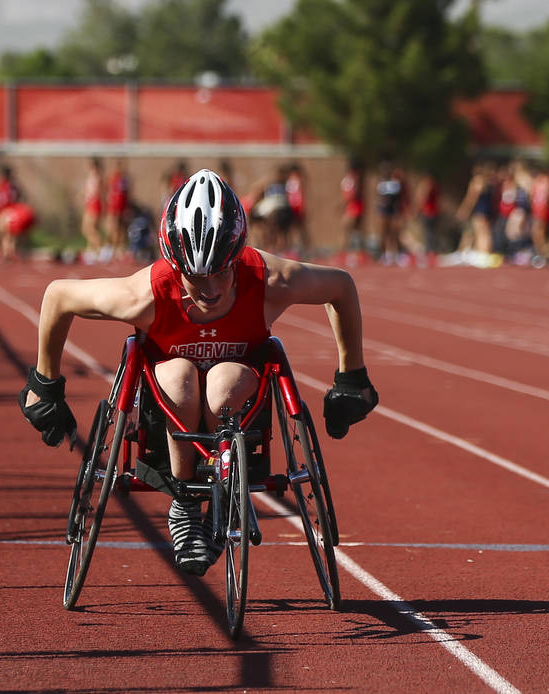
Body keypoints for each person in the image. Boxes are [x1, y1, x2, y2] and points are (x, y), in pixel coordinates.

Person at [19, 169, 378, 576]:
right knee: (179, 375)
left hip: (239, 391)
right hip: (168, 400)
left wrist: (352, 377)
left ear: (238, 257)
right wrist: (44, 385)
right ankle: (185, 504)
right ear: (174, 264)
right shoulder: (145, 294)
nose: (208, 288)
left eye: (221, 273)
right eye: (194, 277)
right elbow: (58, 296)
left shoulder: (270, 279)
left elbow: (341, 288)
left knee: (223, 381)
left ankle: (224, 501)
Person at [0, 165, 35, 262]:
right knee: (11, 234)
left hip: (4, 211)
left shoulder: (1, 185)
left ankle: (4, 254)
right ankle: (10, 252)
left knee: (4, 234)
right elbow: (20, 196)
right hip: (14, 211)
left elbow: (0, 200)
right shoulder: (13, 186)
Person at [375, 162, 410, 265]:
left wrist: (399, 213)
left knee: (395, 234)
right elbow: (379, 199)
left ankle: (398, 255)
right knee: (384, 234)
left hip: (394, 212)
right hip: (383, 212)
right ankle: (385, 255)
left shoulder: (395, 184)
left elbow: (398, 199)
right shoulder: (380, 184)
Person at [339, 161, 365, 262]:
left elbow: (353, 195)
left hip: (354, 207)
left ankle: (353, 253)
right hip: (350, 207)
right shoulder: (348, 180)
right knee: (351, 230)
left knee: (350, 230)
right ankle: (352, 252)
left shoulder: (354, 179)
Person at [81, 157, 105, 263]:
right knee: (85, 228)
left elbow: (100, 193)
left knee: (90, 229)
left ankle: (101, 248)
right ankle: (91, 250)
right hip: (89, 203)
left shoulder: (98, 177)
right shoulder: (90, 176)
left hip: (95, 204)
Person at [106, 159, 131, 257]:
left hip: (121, 206)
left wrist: (127, 206)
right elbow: (109, 192)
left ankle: (120, 247)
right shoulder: (112, 178)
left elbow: (126, 193)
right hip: (113, 206)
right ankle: (114, 247)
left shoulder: (124, 179)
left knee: (121, 227)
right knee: (113, 227)